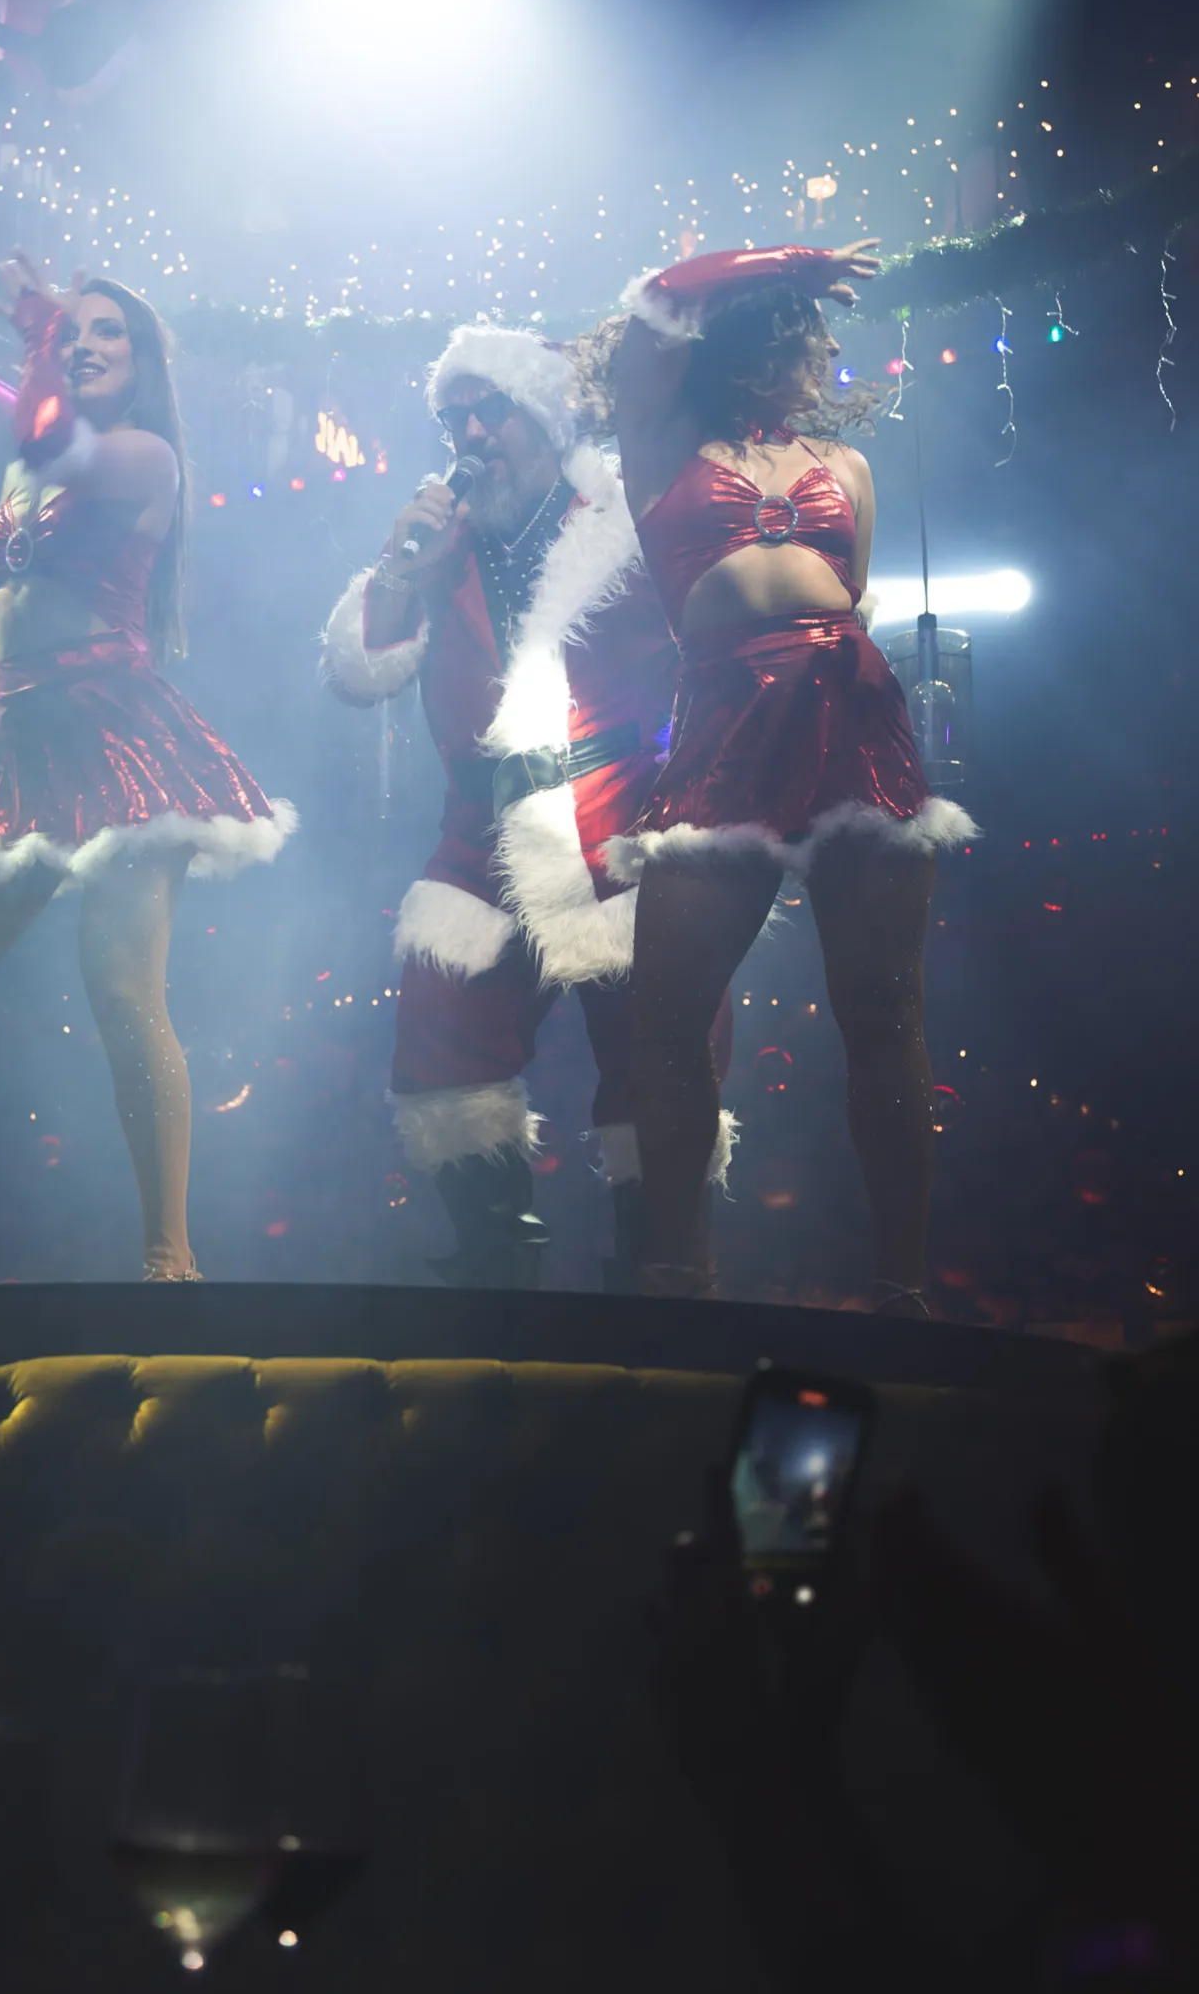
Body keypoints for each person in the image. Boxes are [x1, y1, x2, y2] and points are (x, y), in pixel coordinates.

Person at [0, 258, 295, 1289]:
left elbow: (49, 441)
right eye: (69, 333)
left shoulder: (140, 455)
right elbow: (1, 605)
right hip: (16, 744)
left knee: (124, 993)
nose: (82, 345)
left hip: (113, 735)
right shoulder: (28, 467)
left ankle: (168, 1255)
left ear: (141, 368)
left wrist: (39, 341)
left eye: (106, 334)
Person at [570, 241, 976, 1310]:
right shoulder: (657, 440)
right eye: (810, 328)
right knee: (666, 1015)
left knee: (883, 1011)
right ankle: (674, 1271)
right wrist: (780, 261)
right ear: (757, 337)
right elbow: (654, 300)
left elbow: (854, 595)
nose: (831, 349)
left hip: (852, 713)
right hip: (721, 725)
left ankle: (901, 1286)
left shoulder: (845, 470)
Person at [322, 324, 729, 1287]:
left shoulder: (627, 514)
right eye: (452, 414)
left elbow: (718, 634)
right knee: (439, 1023)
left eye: (488, 407)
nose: (468, 430)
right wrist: (396, 564)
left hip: (623, 820)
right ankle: (494, 1260)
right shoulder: (440, 545)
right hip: (486, 831)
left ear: (541, 414)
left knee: (658, 1051)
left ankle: (657, 1254)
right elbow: (359, 669)